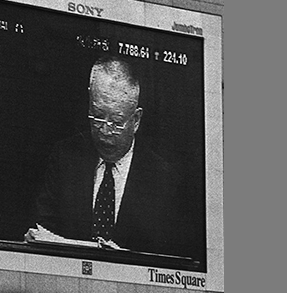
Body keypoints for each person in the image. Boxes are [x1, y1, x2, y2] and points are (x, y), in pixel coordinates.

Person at [25, 55, 194, 257]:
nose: (105, 130)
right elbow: (42, 228)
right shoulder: (65, 158)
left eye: (116, 121)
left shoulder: (164, 179)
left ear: (136, 119)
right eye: (97, 116)